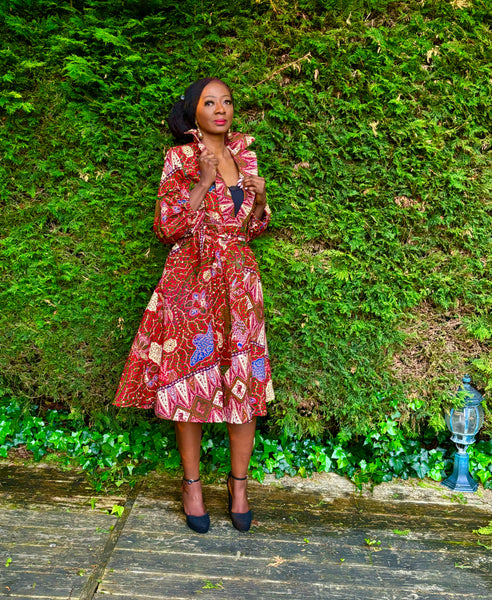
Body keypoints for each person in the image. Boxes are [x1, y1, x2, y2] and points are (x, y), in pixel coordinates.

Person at [114, 77, 274, 534]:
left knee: (243, 386)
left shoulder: (244, 152)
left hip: (240, 282)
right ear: (193, 111)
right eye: (210, 102)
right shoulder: (180, 156)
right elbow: (166, 227)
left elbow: (251, 229)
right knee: (192, 385)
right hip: (192, 281)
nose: (221, 109)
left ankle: (239, 486)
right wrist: (202, 182)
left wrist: (261, 201)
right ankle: (192, 486)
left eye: (227, 101)